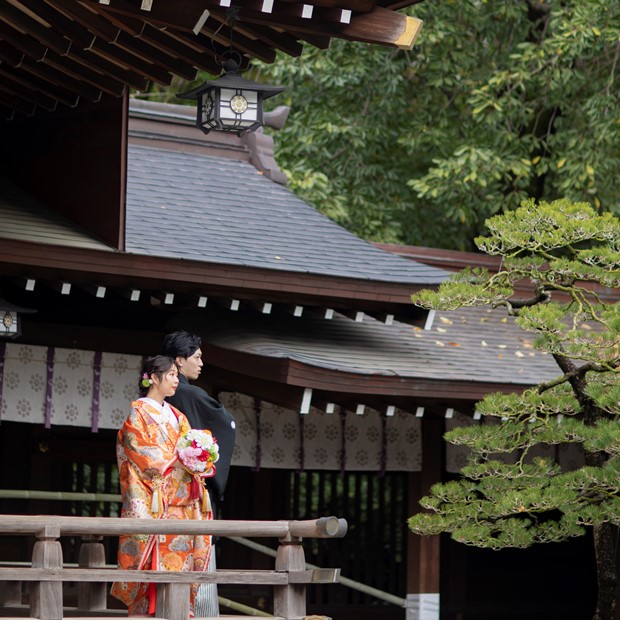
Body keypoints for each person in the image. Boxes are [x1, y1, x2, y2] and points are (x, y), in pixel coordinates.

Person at [110, 355, 214, 617]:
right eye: (171, 375)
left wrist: (199, 458)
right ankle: (148, 610)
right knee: (153, 564)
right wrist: (177, 464)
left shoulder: (177, 416)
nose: (176, 380)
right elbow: (139, 451)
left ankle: (180, 609)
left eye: (177, 376)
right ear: (154, 378)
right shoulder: (138, 414)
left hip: (180, 504)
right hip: (154, 499)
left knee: (181, 560)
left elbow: (187, 449)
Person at [160, 331, 237, 617]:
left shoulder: (160, 399)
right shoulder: (189, 394)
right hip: (192, 494)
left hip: (164, 497)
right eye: (197, 357)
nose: (201, 363)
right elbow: (225, 425)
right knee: (200, 560)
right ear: (179, 361)